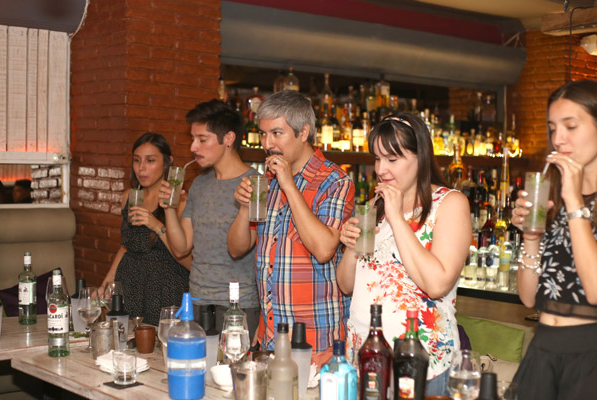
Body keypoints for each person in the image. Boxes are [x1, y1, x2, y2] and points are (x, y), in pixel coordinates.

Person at [337, 113, 471, 396]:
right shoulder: (374, 206)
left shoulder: (450, 204)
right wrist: (350, 246)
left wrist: (397, 218)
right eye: (377, 158)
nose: (381, 169)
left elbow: (437, 284)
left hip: (422, 361)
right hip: (366, 355)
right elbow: (346, 285)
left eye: (392, 159)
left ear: (421, 157)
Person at [228, 90, 355, 366]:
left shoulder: (334, 181)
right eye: (263, 134)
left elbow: (324, 249)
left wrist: (288, 184)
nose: (267, 144)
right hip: (270, 336)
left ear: (303, 132)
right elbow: (237, 249)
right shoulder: (268, 180)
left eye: (277, 133)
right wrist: (244, 208)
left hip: (317, 339)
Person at [511, 79, 597, 400]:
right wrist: (531, 236)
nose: (558, 139)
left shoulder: (570, 200)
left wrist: (575, 203)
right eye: (552, 128)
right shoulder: (556, 197)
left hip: (589, 359)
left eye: (571, 126)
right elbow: (528, 298)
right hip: (543, 351)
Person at [159, 99, 260, 340]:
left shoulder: (254, 184)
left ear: (228, 138)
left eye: (202, 139)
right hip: (197, 301)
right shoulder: (199, 184)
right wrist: (169, 208)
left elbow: (239, 249)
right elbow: (181, 248)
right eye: (193, 139)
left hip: (238, 305)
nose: (193, 147)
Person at [100, 132, 190, 326]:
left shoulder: (181, 201)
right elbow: (127, 244)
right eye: (137, 160)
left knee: (161, 342)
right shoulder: (130, 196)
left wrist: (156, 225)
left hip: (165, 287)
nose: (141, 168)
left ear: (167, 163)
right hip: (130, 283)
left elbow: (187, 259)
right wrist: (108, 281)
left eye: (150, 161)